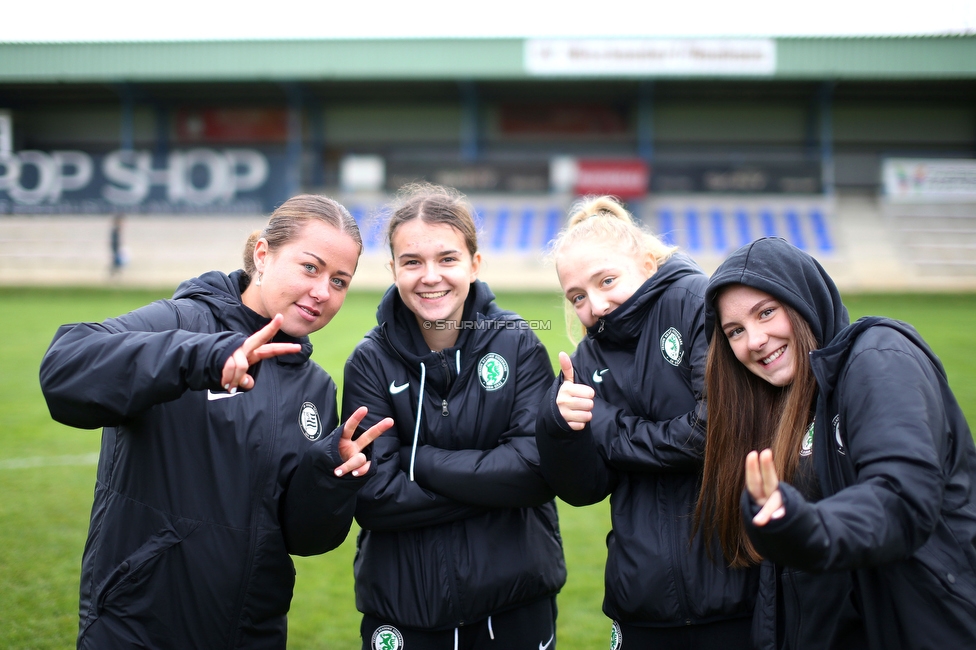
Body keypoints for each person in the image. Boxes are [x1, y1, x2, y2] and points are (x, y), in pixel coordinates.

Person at [39, 194, 394, 650]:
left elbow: (306, 538)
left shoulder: (317, 388)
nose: (323, 291)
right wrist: (201, 356)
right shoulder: (182, 321)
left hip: (251, 633)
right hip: (138, 629)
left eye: (340, 280)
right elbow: (64, 369)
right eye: (310, 267)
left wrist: (331, 473)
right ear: (263, 256)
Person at [697, 236, 976, 649]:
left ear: (804, 300)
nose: (754, 340)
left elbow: (899, 497)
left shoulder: (878, 356)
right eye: (735, 330)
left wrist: (807, 524)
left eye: (767, 312)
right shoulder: (782, 402)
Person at [342, 183, 566, 650]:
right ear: (393, 270)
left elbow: (534, 472)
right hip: (404, 608)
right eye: (412, 262)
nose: (430, 276)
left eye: (447, 259)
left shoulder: (518, 343)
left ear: (474, 264)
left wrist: (416, 460)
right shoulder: (368, 361)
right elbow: (373, 496)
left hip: (515, 604)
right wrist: (495, 482)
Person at [535, 196, 757, 649]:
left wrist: (607, 426)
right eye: (577, 296)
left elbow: (711, 433)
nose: (594, 304)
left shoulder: (696, 301)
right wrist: (559, 427)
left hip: (736, 588)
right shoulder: (588, 356)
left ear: (647, 261)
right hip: (640, 596)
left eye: (607, 280)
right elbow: (584, 490)